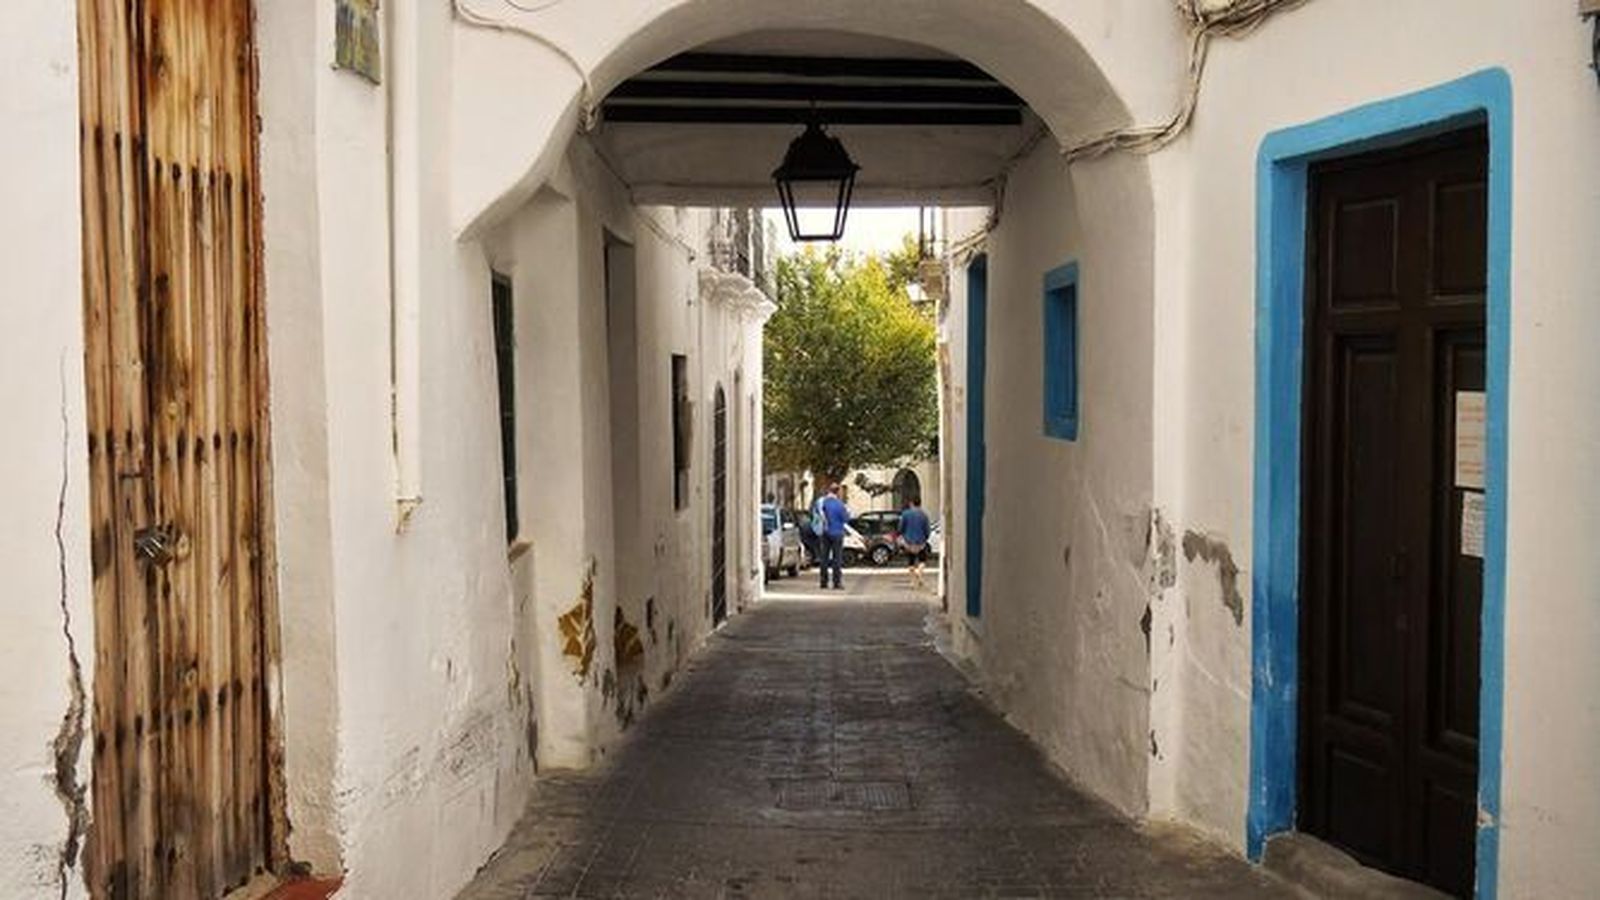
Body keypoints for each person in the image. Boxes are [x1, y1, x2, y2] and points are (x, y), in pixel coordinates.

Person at [816, 483, 851, 590]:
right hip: (837, 533)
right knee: (837, 558)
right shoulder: (840, 505)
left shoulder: (823, 503)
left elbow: (817, 516)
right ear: (838, 492)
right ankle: (836, 582)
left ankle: (823, 582)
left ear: (829, 491)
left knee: (824, 558)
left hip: (825, 532)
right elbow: (846, 519)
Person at [897, 496, 933, 590]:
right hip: (921, 542)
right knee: (922, 561)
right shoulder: (924, 515)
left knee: (911, 562)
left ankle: (913, 583)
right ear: (920, 503)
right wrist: (925, 538)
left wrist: (902, 535)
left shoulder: (905, 514)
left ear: (911, 503)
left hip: (908, 542)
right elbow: (927, 530)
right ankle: (919, 573)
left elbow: (900, 528)